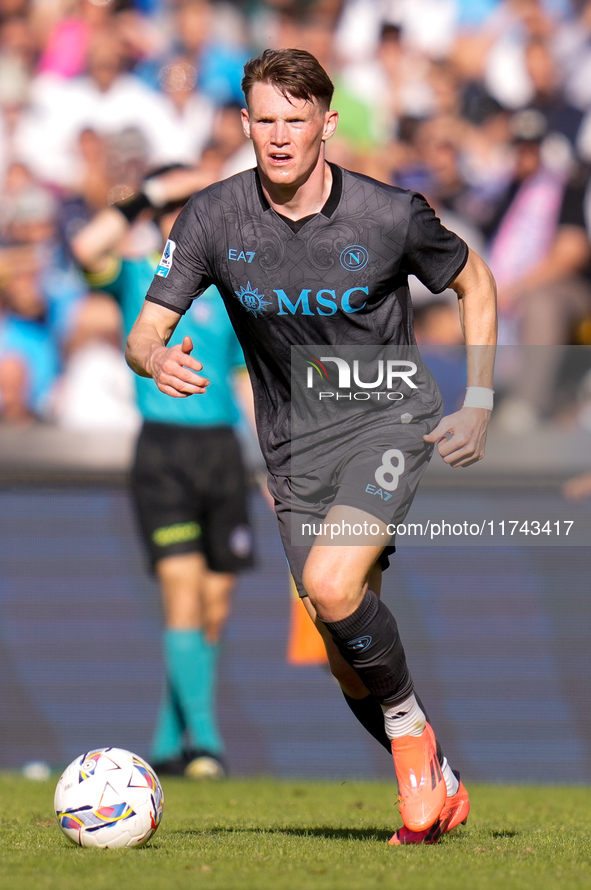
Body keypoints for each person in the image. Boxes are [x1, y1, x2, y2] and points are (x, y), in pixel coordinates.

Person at [125, 48, 497, 843]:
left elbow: (474, 281)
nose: (281, 135)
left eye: (297, 120)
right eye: (266, 120)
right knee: (341, 654)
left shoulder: (389, 214)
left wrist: (480, 400)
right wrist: (157, 357)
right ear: (244, 125)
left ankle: (409, 746)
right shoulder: (212, 217)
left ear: (327, 124)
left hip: (388, 414)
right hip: (295, 451)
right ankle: (441, 773)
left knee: (331, 585)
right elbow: (143, 333)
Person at [71, 165, 255, 778]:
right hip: (164, 451)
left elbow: (241, 378)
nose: (182, 211)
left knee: (214, 603)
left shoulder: (230, 288)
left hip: (223, 452)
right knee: (181, 588)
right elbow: (84, 247)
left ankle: (167, 743)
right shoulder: (136, 276)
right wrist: (147, 193)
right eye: (172, 203)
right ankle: (205, 741)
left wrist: (273, 462)